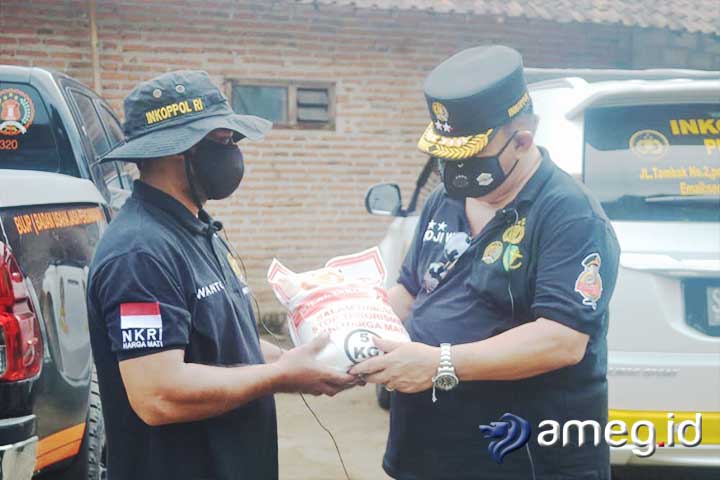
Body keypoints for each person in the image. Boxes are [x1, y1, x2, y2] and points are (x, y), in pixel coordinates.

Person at [351, 45, 620, 479]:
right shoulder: (445, 198)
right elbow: (411, 290)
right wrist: (347, 325)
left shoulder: (569, 213)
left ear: (523, 140)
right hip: (430, 450)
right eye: (445, 159)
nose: (454, 172)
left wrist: (439, 364)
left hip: (523, 457)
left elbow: (562, 340)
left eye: (468, 159)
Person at [86, 70, 354, 480]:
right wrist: (281, 376)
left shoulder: (196, 228)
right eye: (225, 141)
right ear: (180, 149)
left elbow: (226, 342)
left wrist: (309, 360)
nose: (234, 153)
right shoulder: (139, 253)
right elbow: (158, 394)